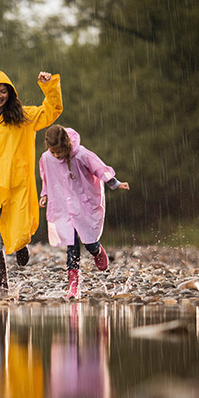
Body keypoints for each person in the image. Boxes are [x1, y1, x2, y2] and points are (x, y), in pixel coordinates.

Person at [0, 69, 63, 291]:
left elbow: (51, 110)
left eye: (3, 91)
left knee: (20, 229)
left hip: (15, 185)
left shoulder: (23, 117)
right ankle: (2, 289)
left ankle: (21, 244)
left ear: (10, 93)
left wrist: (49, 86)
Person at [39, 125, 129, 299]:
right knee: (71, 245)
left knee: (89, 241)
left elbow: (99, 168)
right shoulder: (46, 158)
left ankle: (96, 250)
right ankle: (73, 285)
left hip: (83, 203)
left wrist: (115, 183)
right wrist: (45, 195)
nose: (57, 156)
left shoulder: (81, 154)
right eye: (53, 152)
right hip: (63, 206)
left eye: (59, 152)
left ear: (65, 144)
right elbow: (46, 178)